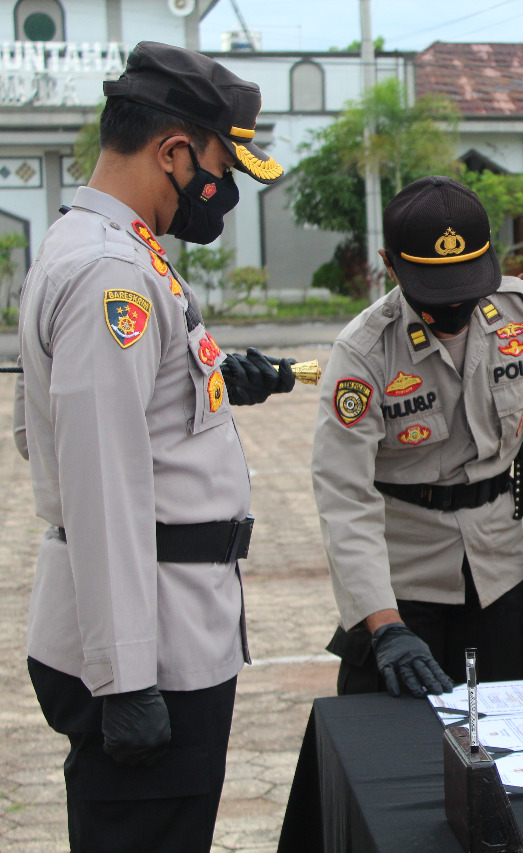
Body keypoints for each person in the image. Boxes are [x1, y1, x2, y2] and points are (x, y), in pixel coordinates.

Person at [14, 42, 295, 852]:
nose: (225, 190)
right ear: (174, 152)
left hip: (161, 619)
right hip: (151, 646)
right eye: (220, 164)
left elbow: (56, 430)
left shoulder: (101, 248)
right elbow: (101, 478)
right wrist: (126, 676)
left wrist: (206, 381)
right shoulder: (114, 274)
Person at [312, 176, 523, 698]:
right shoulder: (364, 353)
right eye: (434, 294)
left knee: (503, 743)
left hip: (496, 567)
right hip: (400, 582)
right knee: (389, 748)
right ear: (390, 265)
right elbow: (344, 497)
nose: (452, 309)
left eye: (466, 288)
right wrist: (385, 626)